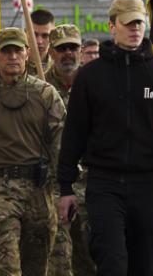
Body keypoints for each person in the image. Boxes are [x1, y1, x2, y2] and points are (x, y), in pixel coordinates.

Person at [57, 0, 153, 275]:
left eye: (139, 22)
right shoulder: (90, 76)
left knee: (147, 264)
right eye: (128, 23)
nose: (135, 28)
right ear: (112, 26)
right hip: (104, 183)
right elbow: (74, 133)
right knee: (111, 261)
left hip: (148, 184)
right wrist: (65, 187)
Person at [0, 27, 66, 275]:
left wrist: (65, 195)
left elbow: (60, 147)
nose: (13, 57)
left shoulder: (46, 94)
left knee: (37, 268)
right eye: (6, 51)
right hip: (0, 191)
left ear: (27, 52)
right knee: (7, 268)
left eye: (18, 51)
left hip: (40, 191)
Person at [44, 25, 95, 276]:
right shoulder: (38, 88)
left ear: (81, 50)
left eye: (73, 47)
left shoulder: (96, 84)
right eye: (61, 48)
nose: (68, 54)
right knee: (59, 260)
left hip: (91, 182)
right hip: (53, 185)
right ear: (51, 52)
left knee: (90, 259)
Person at [28, 8, 55, 74]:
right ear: (26, 33)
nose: (39, 41)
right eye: (34, 35)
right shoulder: (16, 66)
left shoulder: (58, 67)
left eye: (45, 35)